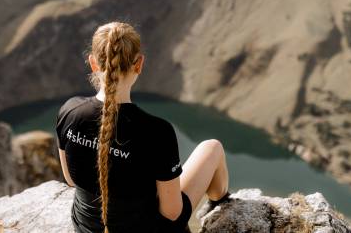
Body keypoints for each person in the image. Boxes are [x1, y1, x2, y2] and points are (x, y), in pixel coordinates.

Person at [55, 21, 231, 233]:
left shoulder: (69, 111)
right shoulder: (157, 131)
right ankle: (221, 204)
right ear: (138, 64)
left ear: (93, 63)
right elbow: (172, 213)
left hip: (85, 228)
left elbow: (71, 180)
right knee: (212, 148)